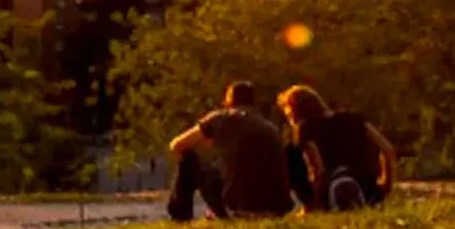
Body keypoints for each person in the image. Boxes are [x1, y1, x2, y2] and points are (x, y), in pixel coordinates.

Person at [167, 81, 293, 221]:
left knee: (188, 159)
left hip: (239, 210)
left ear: (228, 100)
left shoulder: (221, 118)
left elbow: (177, 145)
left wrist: (206, 142)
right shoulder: (270, 127)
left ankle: (180, 216)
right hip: (277, 210)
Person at [278, 85, 395, 212]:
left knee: (290, 155)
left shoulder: (306, 128)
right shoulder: (356, 119)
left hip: (332, 189)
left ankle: (311, 204)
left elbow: (317, 169)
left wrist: (314, 204)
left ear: (295, 111)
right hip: (367, 190)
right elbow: (387, 148)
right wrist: (385, 185)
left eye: (288, 115)